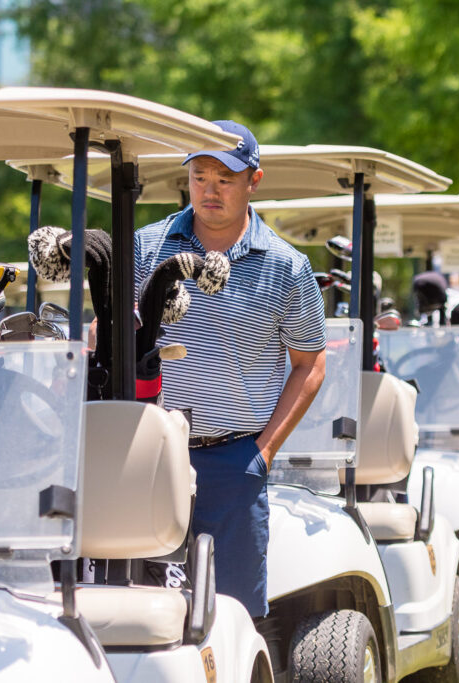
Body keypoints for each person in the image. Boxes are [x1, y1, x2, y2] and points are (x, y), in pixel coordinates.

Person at [134, 120, 327, 618]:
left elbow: (310, 364)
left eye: (225, 178)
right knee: (144, 609)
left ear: (253, 181)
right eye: (200, 177)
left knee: (234, 616)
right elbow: (109, 336)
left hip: (233, 462)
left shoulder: (286, 265)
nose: (210, 191)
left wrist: (261, 454)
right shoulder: (145, 248)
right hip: (148, 455)